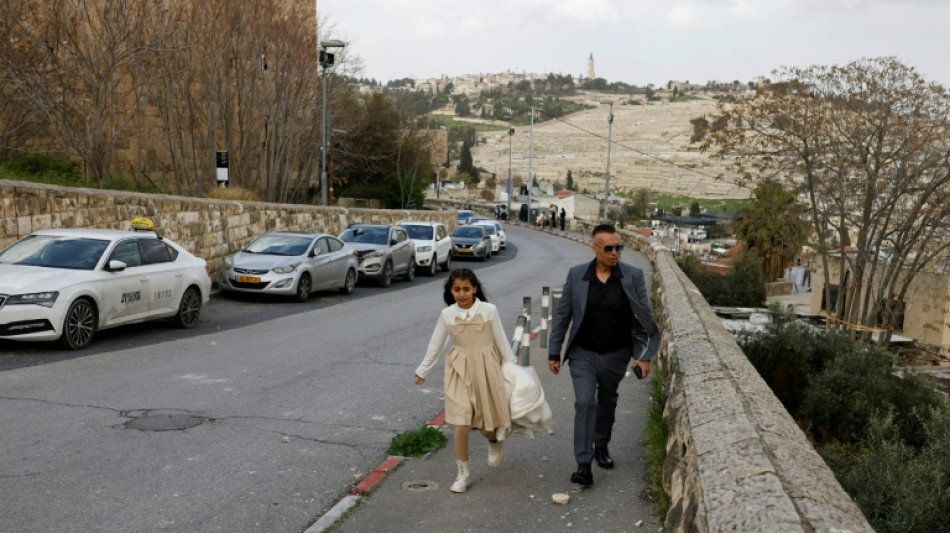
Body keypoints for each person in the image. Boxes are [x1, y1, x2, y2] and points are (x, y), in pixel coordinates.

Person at [547, 223, 661, 486]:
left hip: (616, 354)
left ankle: (602, 446)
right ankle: (584, 464)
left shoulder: (631, 276)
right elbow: (563, 315)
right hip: (583, 354)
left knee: (607, 403)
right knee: (585, 402)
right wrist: (554, 352)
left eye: (618, 247)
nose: (614, 253)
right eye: (608, 248)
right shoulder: (577, 275)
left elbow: (645, 320)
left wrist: (644, 357)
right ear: (595, 248)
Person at [415, 269, 516, 493]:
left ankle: (494, 440)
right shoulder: (447, 314)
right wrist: (423, 370)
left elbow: (501, 340)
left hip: (487, 367)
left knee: (484, 425)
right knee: (460, 422)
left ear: (475, 289)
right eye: (457, 290)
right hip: (459, 369)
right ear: (451, 291)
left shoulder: (489, 311)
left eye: (466, 289)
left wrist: (513, 369)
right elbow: (436, 344)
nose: (462, 294)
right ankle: (463, 474)